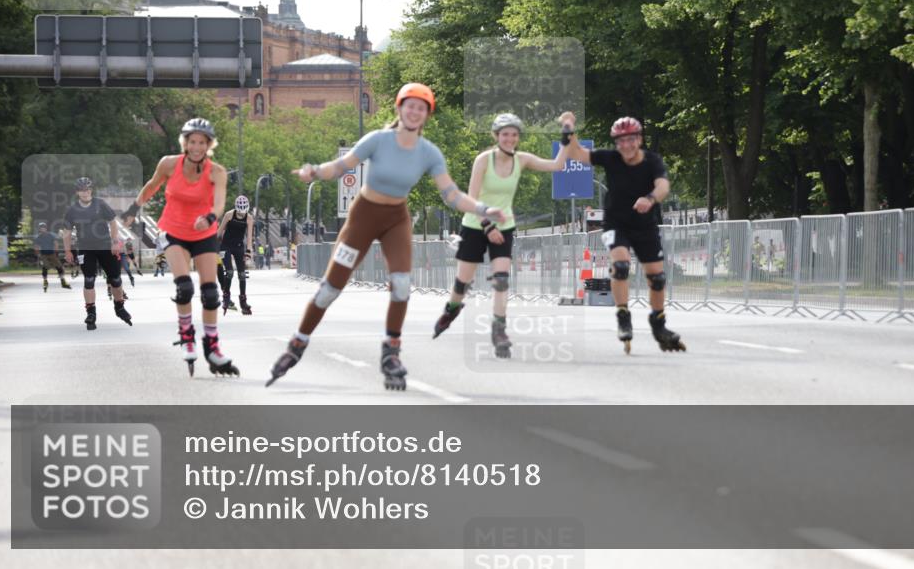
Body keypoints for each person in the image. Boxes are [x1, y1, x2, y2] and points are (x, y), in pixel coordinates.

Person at [267, 82, 506, 390]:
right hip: (363, 216)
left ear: (426, 116)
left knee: (403, 285)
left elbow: (452, 195)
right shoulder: (378, 140)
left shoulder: (429, 153)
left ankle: (390, 352)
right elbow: (342, 166)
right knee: (330, 289)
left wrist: (483, 208)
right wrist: (313, 172)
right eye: (410, 106)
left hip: (396, 219)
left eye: (421, 108)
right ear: (399, 108)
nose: (415, 112)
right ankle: (297, 344)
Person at [432, 112, 572, 357]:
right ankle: (451, 310)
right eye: (505, 134)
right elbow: (472, 197)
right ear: (496, 136)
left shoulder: (522, 159)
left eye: (514, 135)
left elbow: (557, 165)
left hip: (504, 224)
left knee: (501, 279)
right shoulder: (483, 160)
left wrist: (567, 133)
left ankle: (499, 330)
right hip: (477, 224)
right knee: (462, 282)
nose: (510, 139)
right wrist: (488, 226)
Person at [122, 118, 238, 377]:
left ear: (209, 145)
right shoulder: (168, 164)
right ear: (185, 143)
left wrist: (209, 218)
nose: (196, 147)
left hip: (203, 232)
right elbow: (152, 186)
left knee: (210, 293)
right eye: (192, 141)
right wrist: (133, 209)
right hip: (174, 230)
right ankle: (187, 337)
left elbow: (219, 204)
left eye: (202, 142)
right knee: (184, 287)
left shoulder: (216, 171)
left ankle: (212, 347)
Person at [565, 116, 685, 353]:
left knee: (657, 278)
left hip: (644, 226)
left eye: (631, 140)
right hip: (616, 224)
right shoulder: (610, 158)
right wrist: (568, 129)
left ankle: (658, 324)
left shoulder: (652, 161)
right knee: (620, 266)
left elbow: (663, 186)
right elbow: (576, 154)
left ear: (639, 139)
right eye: (621, 141)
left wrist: (650, 199)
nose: (626, 146)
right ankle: (623, 316)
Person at [61, 177, 132, 330]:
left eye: (87, 189)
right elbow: (66, 232)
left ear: (91, 190)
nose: (85, 192)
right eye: (82, 190)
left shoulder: (100, 204)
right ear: (77, 192)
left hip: (106, 247)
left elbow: (112, 222)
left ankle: (119, 307)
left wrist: (114, 242)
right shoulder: (72, 210)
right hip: (86, 249)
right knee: (89, 280)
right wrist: (67, 251)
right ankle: (91, 312)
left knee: (115, 279)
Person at [216, 195, 254, 315]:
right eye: (239, 212)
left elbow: (249, 237)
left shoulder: (249, 218)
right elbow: (220, 231)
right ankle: (226, 296)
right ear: (236, 208)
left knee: (242, 274)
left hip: (238, 246)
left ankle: (243, 301)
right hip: (226, 246)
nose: (241, 214)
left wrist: (248, 251)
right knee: (230, 272)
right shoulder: (229, 215)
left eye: (244, 212)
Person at [33, 221, 70, 292]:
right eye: (41, 228)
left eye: (43, 227)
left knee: (59, 266)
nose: (42, 229)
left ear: (46, 228)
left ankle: (63, 281)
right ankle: (45, 281)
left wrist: (56, 252)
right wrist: (38, 254)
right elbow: (36, 246)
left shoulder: (50, 235)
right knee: (45, 267)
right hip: (43, 254)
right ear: (39, 229)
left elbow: (55, 243)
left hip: (52, 253)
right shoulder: (38, 237)